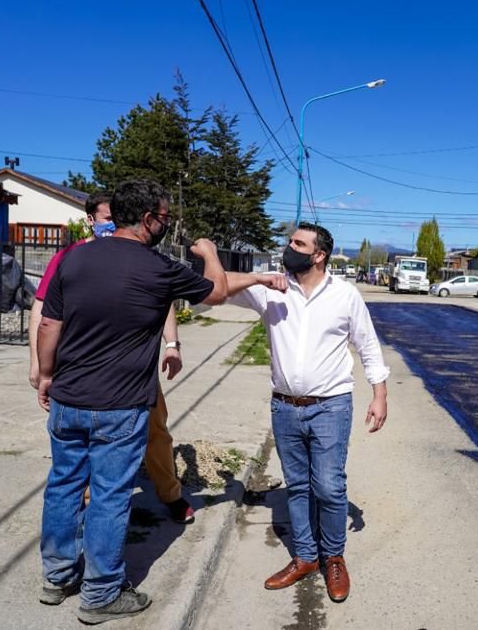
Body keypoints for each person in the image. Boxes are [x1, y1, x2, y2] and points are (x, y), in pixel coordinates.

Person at [37, 180, 227, 625]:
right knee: (109, 496)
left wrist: (45, 375)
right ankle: (101, 594)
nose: (166, 225)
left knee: (63, 485)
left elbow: (49, 325)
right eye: (164, 218)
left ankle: (57, 577)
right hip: (120, 406)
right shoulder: (159, 267)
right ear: (146, 219)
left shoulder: (72, 258)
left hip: (68, 398)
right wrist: (210, 253)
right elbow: (216, 291)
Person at [223, 222, 389, 603]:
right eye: (290, 242)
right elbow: (220, 287)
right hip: (284, 407)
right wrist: (255, 277)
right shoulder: (272, 290)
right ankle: (305, 557)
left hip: (330, 406)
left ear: (319, 255)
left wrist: (379, 394)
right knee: (297, 486)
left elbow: (367, 345)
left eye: (298, 243)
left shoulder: (345, 296)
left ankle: (333, 557)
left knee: (328, 486)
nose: (289, 248)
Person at [29, 193, 195, 525]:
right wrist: (38, 363)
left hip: (136, 372)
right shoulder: (70, 257)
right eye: (107, 218)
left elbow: (163, 303)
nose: (113, 224)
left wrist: (172, 344)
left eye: (116, 217)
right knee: (82, 448)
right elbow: (42, 312)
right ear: (90, 220)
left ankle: (170, 494)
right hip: (79, 368)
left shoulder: (140, 257)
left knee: (156, 433)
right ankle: (88, 506)